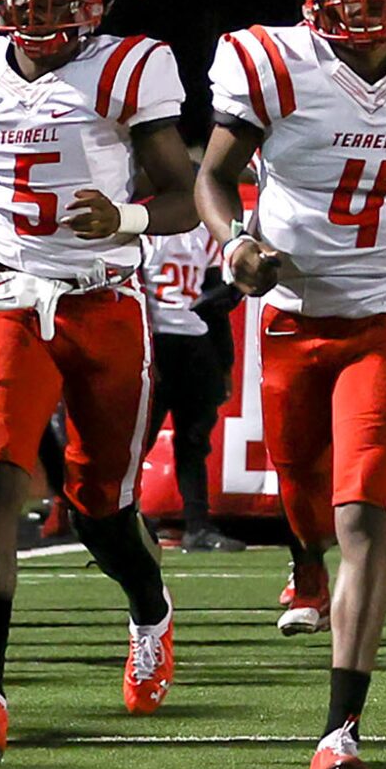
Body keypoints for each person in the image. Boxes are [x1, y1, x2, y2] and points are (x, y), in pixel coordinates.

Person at [0, 0, 198, 758]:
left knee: (100, 505)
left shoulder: (127, 68)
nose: (36, 1)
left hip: (104, 301)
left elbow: (187, 194)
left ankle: (149, 611)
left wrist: (123, 217)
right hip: (10, 298)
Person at [196, 0, 386, 769]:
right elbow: (215, 175)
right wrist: (236, 244)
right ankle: (299, 562)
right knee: (305, 503)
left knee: (363, 518)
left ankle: (339, 730)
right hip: (295, 319)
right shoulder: (274, 63)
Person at [142, 218, 238, 551]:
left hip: (194, 345)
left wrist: (223, 363)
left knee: (194, 442)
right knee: (137, 441)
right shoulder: (144, 227)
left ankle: (198, 525)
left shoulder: (202, 233)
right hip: (156, 343)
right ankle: (122, 521)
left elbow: (215, 301)